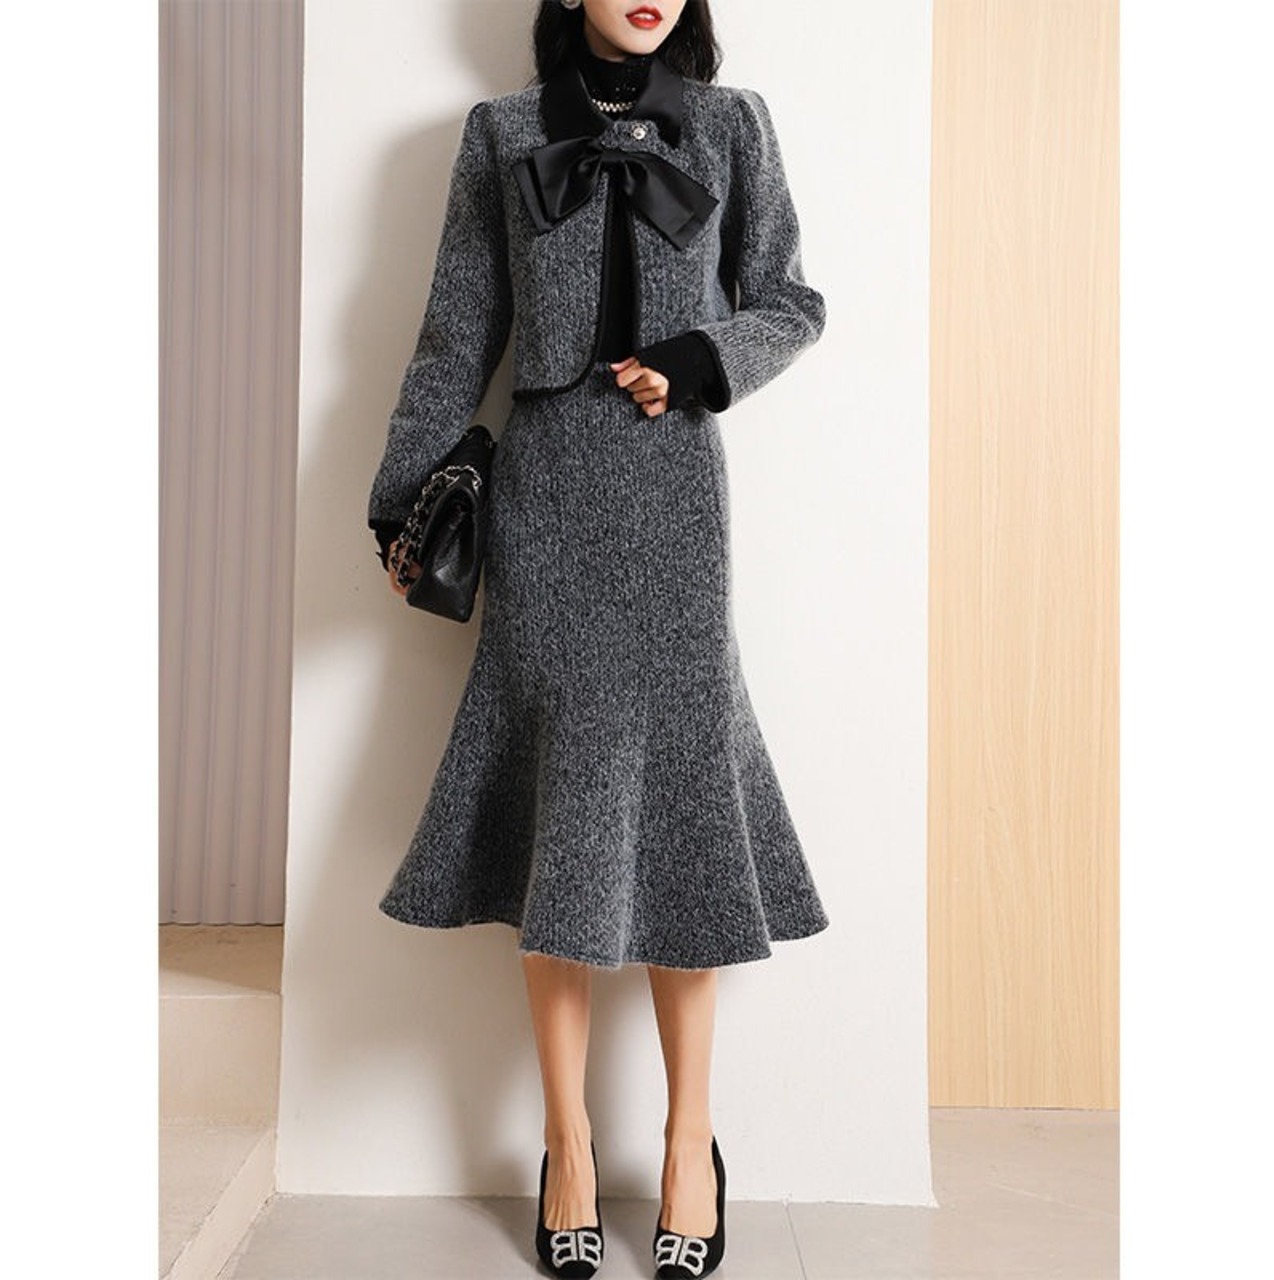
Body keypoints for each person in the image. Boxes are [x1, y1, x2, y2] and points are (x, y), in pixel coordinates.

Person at [365, 2, 829, 1275]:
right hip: (548, 502)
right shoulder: (499, 133)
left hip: (677, 504)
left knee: (682, 811)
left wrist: (703, 355)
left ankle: (687, 1145)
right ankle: (565, 1144)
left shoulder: (732, 126)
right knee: (560, 814)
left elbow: (791, 298)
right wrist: (402, 505)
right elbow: (456, 333)